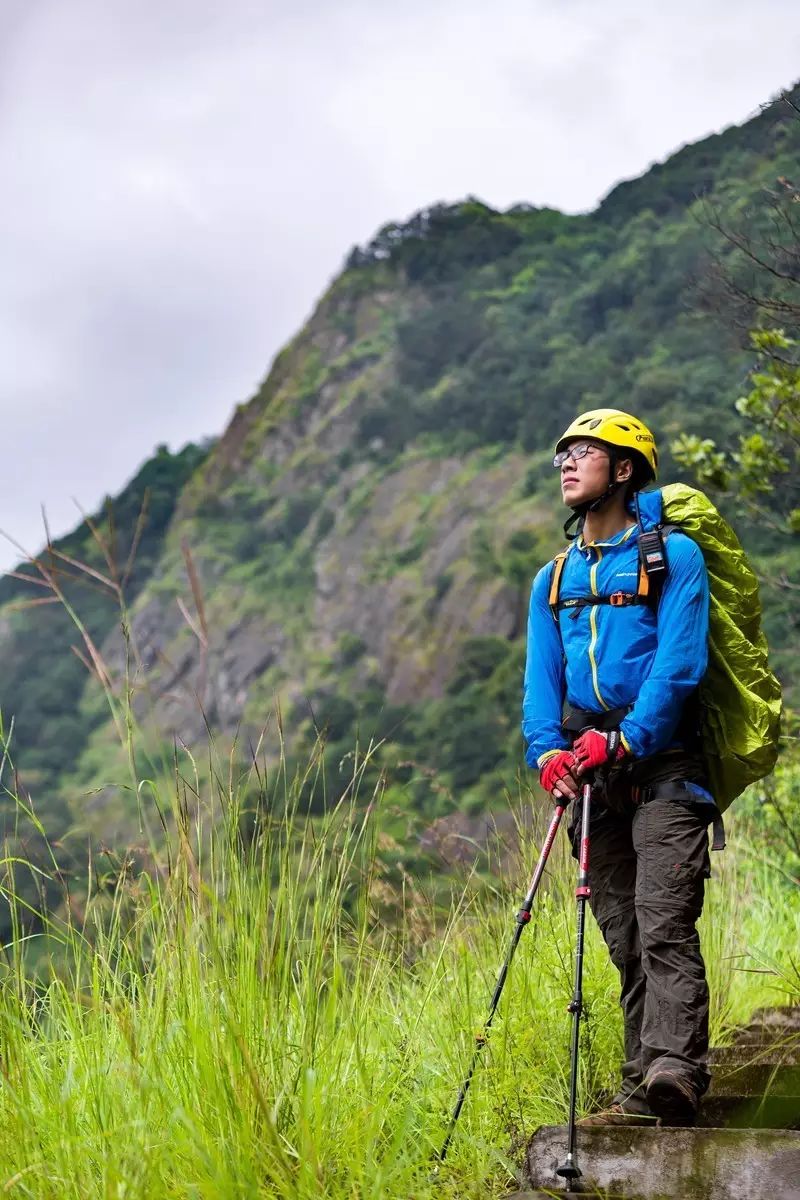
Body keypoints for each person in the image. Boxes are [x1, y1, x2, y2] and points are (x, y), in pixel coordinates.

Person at [522, 407, 717, 1128]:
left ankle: (675, 1068)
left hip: (663, 761)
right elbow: (540, 681)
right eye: (562, 454)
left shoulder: (675, 559)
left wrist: (626, 739)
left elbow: (680, 665)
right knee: (623, 930)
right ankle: (645, 1081)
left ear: (625, 469)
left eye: (584, 452)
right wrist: (546, 752)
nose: (568, 463)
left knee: (663, 919)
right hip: (591, 772)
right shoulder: (553, 579)